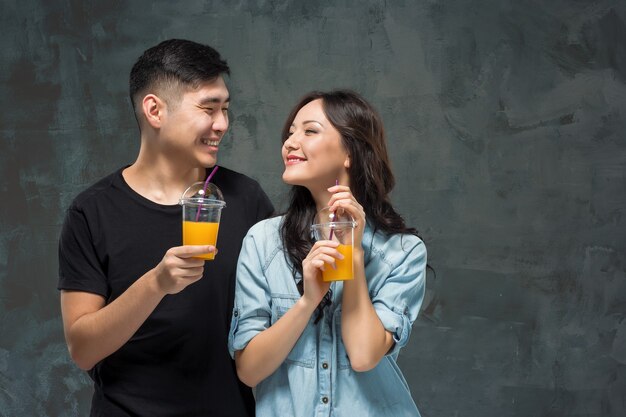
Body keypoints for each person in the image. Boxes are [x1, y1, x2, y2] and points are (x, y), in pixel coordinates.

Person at [58, 39, 274, 417]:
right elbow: (82, 348)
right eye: (208, 109)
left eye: (225, 109)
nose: (221, 124)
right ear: (155, 110)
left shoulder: (247, 199)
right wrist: (156, 283)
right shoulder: (92, 211)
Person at [228, 90, 427, 416]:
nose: (290, 143)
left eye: (309, 130)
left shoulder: (402, 252)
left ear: (349, 152)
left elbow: (364, 356)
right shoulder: (263, 242)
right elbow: (249, 370)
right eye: (290, 132)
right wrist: (307, 301)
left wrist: (355, 258)